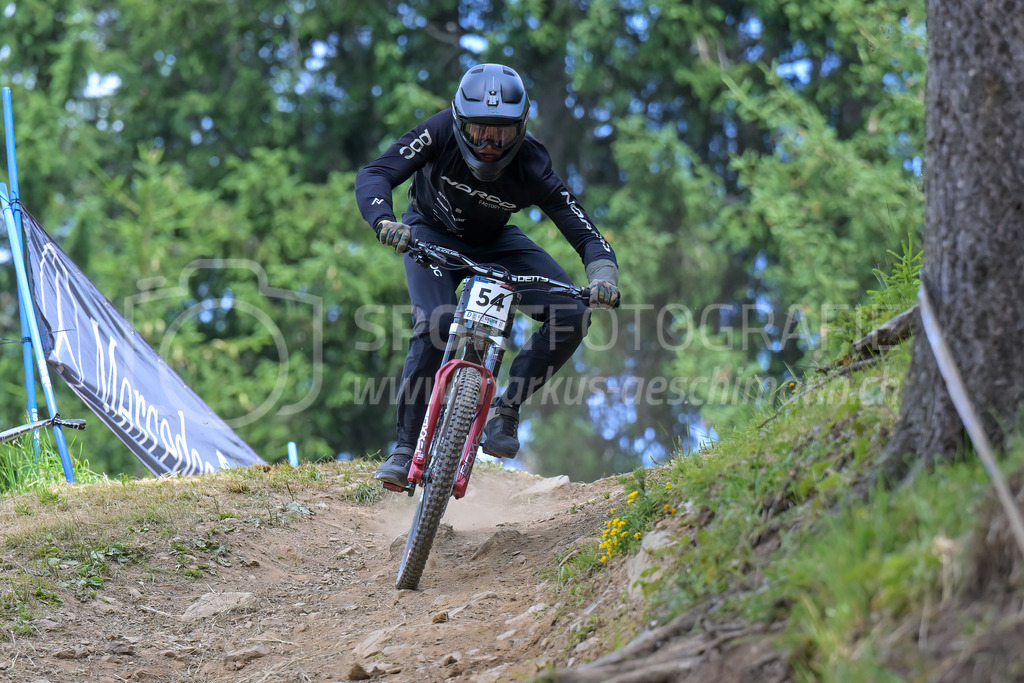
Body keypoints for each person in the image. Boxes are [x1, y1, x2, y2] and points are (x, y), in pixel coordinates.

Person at [355, 63, 620, 487]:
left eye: (501, 133)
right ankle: (405, 448)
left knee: (573, 313)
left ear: (521, 129)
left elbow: (585, 232)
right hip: (429, 232)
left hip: (495, 243)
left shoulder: (532, 162)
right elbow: (376, 173)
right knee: (437, 323)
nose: (489, 144)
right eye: (478, 131)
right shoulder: (438, 131)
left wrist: (603, 275)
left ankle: (506, 408)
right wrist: (384, 220)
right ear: (459, 122)